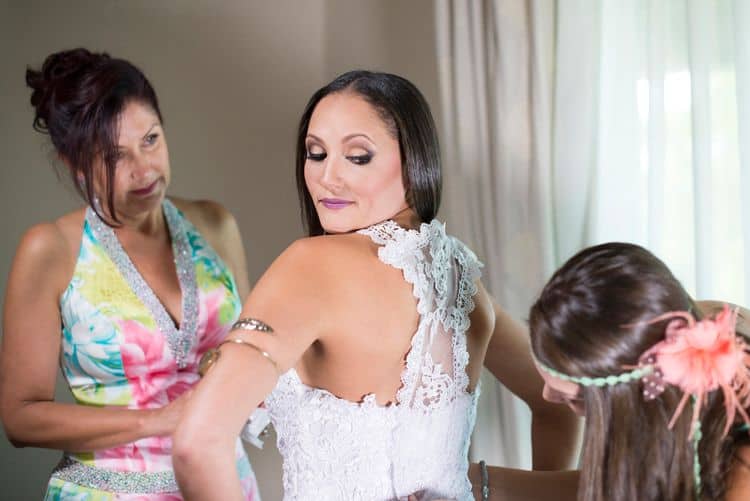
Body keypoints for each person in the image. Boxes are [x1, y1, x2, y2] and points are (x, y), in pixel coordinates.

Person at [172, 70, 578, 500]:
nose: (328, 177)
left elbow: (197, 444)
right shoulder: (462, 278)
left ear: (414, 160)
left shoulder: (310, 265)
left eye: (358, 156)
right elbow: (555, 399)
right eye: (315, 153)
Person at [0, 48, 260, 500]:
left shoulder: (216, 225)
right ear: (72, 163)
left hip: (226, 486)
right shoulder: (52, 249)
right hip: (111, 491)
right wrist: (154, 420)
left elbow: (257, 351)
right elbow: (20, 416)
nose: (144, 170)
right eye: (113, 156)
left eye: (151, 139)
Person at [528, 242, 750, 500]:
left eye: (574, 398)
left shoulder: (740, 472)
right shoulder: (683, 325)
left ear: (638, 397)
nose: (547, 396)